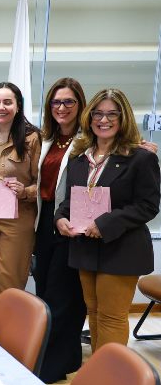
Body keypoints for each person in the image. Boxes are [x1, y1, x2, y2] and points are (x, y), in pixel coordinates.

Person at [55, 88, 160, 351]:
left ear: (123, 118)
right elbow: (70, 200)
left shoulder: (141, 157)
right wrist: (60, 219)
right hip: (85, 247)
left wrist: (105, 224)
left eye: (112, 114)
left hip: (121, 248)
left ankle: (112, 373)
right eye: (98, 114)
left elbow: (148, 206)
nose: (104, 120)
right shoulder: (79, 158)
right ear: (89, 118)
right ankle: (99, 370)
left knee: (111, 317)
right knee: (93, 313)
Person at [34, 78, 88, 382]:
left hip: (71, 222)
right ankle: (66, 357)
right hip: (44, 220)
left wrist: (140, 147)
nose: (62, 107)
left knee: (62, 294)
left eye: (68, 102)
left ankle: (51, 366)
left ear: (80, 105)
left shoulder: (88, 140)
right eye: (56, 102)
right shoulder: (48, 140)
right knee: (44, 289)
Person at [0, 82, 41, 304]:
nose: (1, 107)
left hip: (17, 217)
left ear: (18, 106)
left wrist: (26, 191)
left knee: (9, 278)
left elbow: (44, 184)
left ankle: (9, 324)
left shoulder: (32, 138)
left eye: (7, 102)